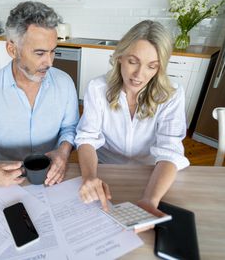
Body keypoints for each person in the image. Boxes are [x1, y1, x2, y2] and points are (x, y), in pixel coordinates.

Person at [0, 1, 79, 187]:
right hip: (5, 182)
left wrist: (63, 151)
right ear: (12, 49)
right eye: (40, 53)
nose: (50, 62)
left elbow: (70, 128)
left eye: (53, 51)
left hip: (52, 177)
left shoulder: (65, 83)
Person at [75, 20, 189, 216]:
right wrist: (90, 177)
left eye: (151, 66)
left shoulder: (172, 94)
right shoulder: (97, 88)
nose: (139, 75)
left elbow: (170, 151)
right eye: (133, 61)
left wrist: (150, 200)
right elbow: (86, 138)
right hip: (104, 168)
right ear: (119, 57)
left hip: (151, 173)